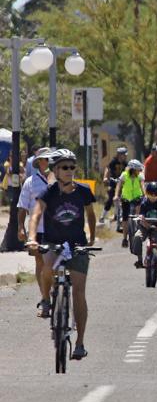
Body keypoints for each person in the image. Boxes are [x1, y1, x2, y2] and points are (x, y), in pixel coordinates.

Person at [25, 149, 96, 360]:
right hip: (53, 242)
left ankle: (80, 343)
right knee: (47, 265)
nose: (69, 171)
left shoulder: (83, 191)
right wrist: (32, 238)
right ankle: (46, 299)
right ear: (55, 170)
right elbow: (36, 214)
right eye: (65, 167)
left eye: (72, 167)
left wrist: (92, 239)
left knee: (79, 292)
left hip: (77, 245)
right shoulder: (49, 192)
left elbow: (91, 215)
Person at [17, 147, 52, 316]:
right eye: (45, 159)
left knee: (53, 264)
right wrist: (20, 228)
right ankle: (45, 299)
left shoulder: (59, 179)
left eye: (50, 159)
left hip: (57, 230)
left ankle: (57, 294)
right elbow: (22, 207)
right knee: (40, 263)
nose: (48, 162)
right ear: (39, 162)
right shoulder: (30, 182)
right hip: (37, 230)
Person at [115, 159, 145, 248]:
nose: (139, 171)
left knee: (138, 213)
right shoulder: (124, 175)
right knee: (125, 218)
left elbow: (142, 186)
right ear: (133, 169)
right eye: (138, 169)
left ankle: (139, 228)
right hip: (126, 198)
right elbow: (119, 185)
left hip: (137, 197)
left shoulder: (140, 176)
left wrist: (145, 195)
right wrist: (116, 195)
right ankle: (125, 238)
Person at [100, 147, 128, 223]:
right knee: (110, 199)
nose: (125, 156)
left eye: (126, 155)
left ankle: (119, 216)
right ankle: (102, 216)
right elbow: (107, 169)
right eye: (124, 155)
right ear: (119, 155)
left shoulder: (126, 164)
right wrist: (105, 177)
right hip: (113, 182)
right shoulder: (113, 162)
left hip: (122, 183)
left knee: (124, 199)